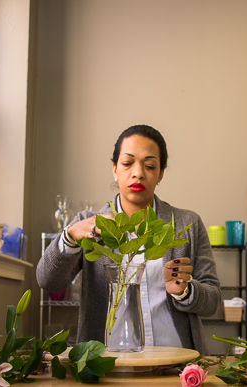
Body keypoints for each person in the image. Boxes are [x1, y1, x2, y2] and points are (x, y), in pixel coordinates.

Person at [36, 125, 220, 355]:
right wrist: (70, 236)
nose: (138, 173)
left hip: (176, 362)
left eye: (150, 165)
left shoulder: (186, 224)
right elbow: (47, 280)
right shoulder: (86, 225)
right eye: (127, 163)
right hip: (107, 364)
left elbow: (213, 301)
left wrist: (184, 291)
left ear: (160, 173)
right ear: (114, 169)